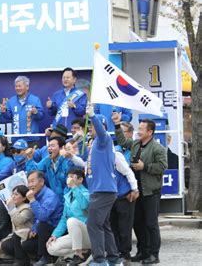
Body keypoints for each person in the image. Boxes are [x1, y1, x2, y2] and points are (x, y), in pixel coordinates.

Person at [113, 113, 167, 264]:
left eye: (142, 129)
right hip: (136, 191)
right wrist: (117, 124)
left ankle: (154, 254)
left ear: (150, 132)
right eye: (139, 128)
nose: (139, 131)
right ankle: (143, 251)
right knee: (137, 222)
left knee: (151, 223)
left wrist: (145, 166)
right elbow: (123, 140)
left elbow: (162, 167)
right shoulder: (136, 144)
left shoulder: (158, 148)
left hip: (151, 191)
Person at [84, 105, 121, 265]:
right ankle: (113, 258)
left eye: (93, 125)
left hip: (103, 191)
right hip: (102, 190)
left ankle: (99, 260)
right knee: (104, 226)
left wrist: (93, 115)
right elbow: (90, 167)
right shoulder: (96, 144)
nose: (91, 128)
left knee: (92, 224)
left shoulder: (103, 139)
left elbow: (100, 129)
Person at [47, 168, 91, 265]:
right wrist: (54, 235)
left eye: (72, 177)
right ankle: (85, 253)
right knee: (51, 247)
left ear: (80, 180)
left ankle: (78, 253)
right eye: (68, 177)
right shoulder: (67, 196)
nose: (69, 179)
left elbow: (84, 205)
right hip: (75, 236)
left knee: (72, 221)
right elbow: (64, 219)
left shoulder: (86, 193)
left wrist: (74, 187)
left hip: (88, 234)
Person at [23, 170, 63, 266]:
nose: (30, 185)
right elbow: (37, 217)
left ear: (41, 182)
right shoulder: (36, 194)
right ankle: (46, 257)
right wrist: (34, 229)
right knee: (26, 245)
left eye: (33, 181)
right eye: (28, 182)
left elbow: (42, 216)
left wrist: (32, 200)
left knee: (42, 225)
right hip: (45, 229)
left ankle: (46, 258)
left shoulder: (50, 196)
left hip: (56, 229)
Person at [26, 136, 80, 201]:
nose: (49, 148)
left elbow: (70, 185)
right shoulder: (47, 160)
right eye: (48, 146)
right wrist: (29, 158)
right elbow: (34, 173)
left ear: (61, 148)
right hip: (54, 201)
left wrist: (64, 202)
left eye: (52, 146)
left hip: (67, 202)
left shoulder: (68, 162)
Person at [0, 76, 44, 146]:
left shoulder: (35, 100)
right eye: (16, 86)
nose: (17, 88)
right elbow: (8, 117)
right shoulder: (11, 101)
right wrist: (4, 111)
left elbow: (41, 116)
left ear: (27, 87)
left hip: (31, 140)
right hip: (16, 140)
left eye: (20, 86)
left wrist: (36, 112)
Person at [0, 185, 34, 265]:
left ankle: (22, 260)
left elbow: (18, 221)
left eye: (16, 194)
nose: (13, 197)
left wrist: (11, 207)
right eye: (12, 194)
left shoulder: (27, 208)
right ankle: (19, 257)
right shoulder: (16, 207)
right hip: (17, 235)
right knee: (5, 245)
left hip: (28, 236)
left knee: (15, 240)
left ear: (24, 198)